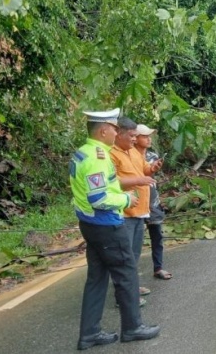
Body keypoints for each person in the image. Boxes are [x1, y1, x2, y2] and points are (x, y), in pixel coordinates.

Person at [70, 109, 160, 350]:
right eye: (114, 129)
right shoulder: (97, 157)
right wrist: (126, 200)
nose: (116, 133)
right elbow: (99, 198)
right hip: (107, 224)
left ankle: (89, 334)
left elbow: (100, 189)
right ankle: (132, 328)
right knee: (126, 274)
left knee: (97, 279)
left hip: (90, 225)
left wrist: (120, 193)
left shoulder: (83, 152)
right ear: (103, 130)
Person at [110, 117, 163, 301]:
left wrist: (152, 168)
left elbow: (144, 169)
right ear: (119, 134)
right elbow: (111, 183)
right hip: (124, 214)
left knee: (134, 255)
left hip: (140, 211)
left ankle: (131, 287)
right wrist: (139, 181)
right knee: (124, 257)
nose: (135, 139)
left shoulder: (133, 152)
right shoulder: (111, 154)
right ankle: (123, 296)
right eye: (132, 136)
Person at [134, 124, 172, 280]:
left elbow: (152, 177)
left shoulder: (152, 155)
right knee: (135, 242)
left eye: (149, 136)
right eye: (144, 136)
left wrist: (154, 167)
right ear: (135, 138)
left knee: (157, 235)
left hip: (152, 200)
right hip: (135, 202)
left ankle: (158, 268)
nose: (149, 139)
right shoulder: (129, 156)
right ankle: (131, 278)